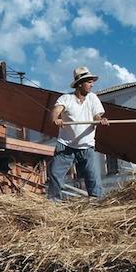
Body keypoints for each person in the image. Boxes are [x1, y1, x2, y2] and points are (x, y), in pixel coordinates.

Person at [47, 66, 109, 201]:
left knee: (93, 177)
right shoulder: (66, 99)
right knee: (55, 174)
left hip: (86, 146)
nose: (92, 85)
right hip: (66, 146)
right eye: (89, 82)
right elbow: (55, 112)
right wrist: (56, 119)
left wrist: (100, 120)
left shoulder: (92, 98)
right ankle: (54, 203)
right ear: (80, 84)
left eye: (92, 82)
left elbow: (96, 115)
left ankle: (96, 203)